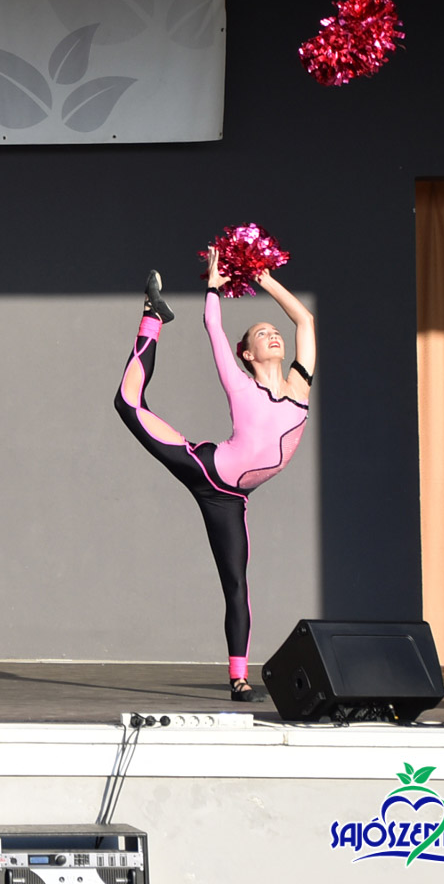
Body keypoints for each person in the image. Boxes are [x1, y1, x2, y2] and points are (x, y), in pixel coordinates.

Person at [113, 258, 314, 701]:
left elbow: (304, 319)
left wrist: (266, 280)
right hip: (203, 466)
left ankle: (239, 679)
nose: (273, 334)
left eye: (274, 331)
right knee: (128, 403)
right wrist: (214, 288)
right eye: (261, 334)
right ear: (247, 354)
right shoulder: (240, 383)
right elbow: (213, 325)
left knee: (236, 584)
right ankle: (152, 317)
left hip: (231, 499)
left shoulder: (300, 387)